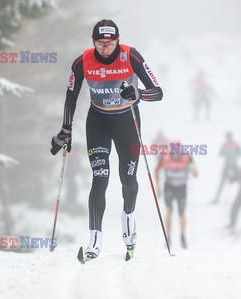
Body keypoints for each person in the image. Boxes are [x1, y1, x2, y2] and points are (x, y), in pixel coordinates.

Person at [50, 19, 163, 259]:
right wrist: (66, 129)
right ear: (93, 42)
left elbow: (158, 92)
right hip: (98, 122)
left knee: (127, 179)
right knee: (100, 177)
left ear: (117, 41)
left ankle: (129, 227)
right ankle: (94, 241)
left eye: (110, 43)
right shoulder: (82, 61)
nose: (105, 48)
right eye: (100, 44)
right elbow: (71, 96)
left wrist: (138, 93)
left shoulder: (131, 56)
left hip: (127, 122)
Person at [155, 141, 198, 249]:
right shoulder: (164, 157)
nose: (176, 155)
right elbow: (156, 171)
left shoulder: (187, 156)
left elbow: (194, 172)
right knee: (169, 211)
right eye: (174, 152)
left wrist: (193, 170)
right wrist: (158, 187)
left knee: (181, 213)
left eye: (177, 152)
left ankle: (182, 236)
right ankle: (168, 237)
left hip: (181, 187)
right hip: (169, 187)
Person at [212, 132, 241, 204]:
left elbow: (240, 153)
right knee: (223, 181)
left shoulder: (232, 144)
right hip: (230, 164)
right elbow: (220, 154)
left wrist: (228, 153)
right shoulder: (231, 144)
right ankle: (217, 198)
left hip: (232, 165)